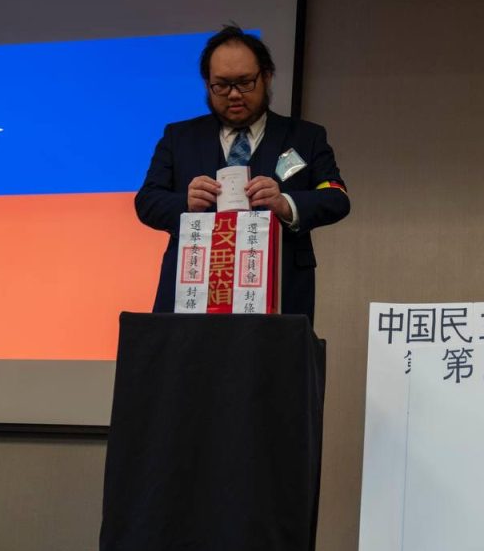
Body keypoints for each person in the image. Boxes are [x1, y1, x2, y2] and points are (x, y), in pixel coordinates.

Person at [135, 24, 350, 326]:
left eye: (245, 83)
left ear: (267, 76)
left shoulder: (305, 137)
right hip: (192, 294)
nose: (234, 95)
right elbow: (147, 201)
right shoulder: (179, 137)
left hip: (280, 294)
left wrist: (286, 203)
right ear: (207, 84)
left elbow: (337, 198)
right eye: (221, 86)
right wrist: (186, 203)